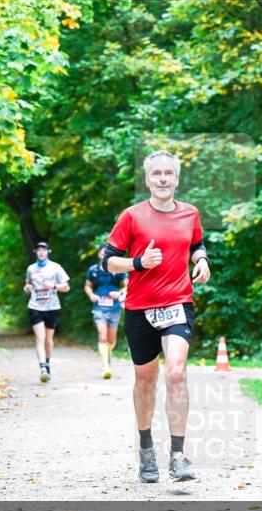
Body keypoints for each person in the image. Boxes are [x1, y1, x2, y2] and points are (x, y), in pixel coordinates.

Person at [102, 150, 211, 482]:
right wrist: (138, 263)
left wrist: (201, 260)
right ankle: (146, 450)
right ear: (147, 179)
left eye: (169, 173)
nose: (163, 179)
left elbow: (197, 243)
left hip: (178, 304)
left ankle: (178, 455)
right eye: (156, 174)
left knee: (176, 373)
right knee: (146, 380)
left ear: (177, 178)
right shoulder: (131, 216)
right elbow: (107, 261)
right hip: (139, 308)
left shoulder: (190, 213)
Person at [23, 241, 70, 383]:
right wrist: (27, 288)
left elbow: (66, 287)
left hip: (52, 307)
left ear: (48, 252)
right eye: (39, 250)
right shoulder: (31, 269)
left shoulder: (56, 267)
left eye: (44, 250)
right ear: (36, 252)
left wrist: (54, 286)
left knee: (49, 340)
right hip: (35, 306)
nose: (41, 252)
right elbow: (27, 284)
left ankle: (47, 363)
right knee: (40, 338)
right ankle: (42, 367)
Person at [84, 243, 128, 378]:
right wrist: (92, 295)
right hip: (99, 307)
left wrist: (120, 293)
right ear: (99, 254)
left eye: (106, 253)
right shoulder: (93, 270)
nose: (104, 255)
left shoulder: (118, 270)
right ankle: (106, 367)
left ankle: (107, 357)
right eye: (102, 253)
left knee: (111, 338)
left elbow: (129, 285)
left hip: (114, 307)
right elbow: (87, 286)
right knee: (102, 336)